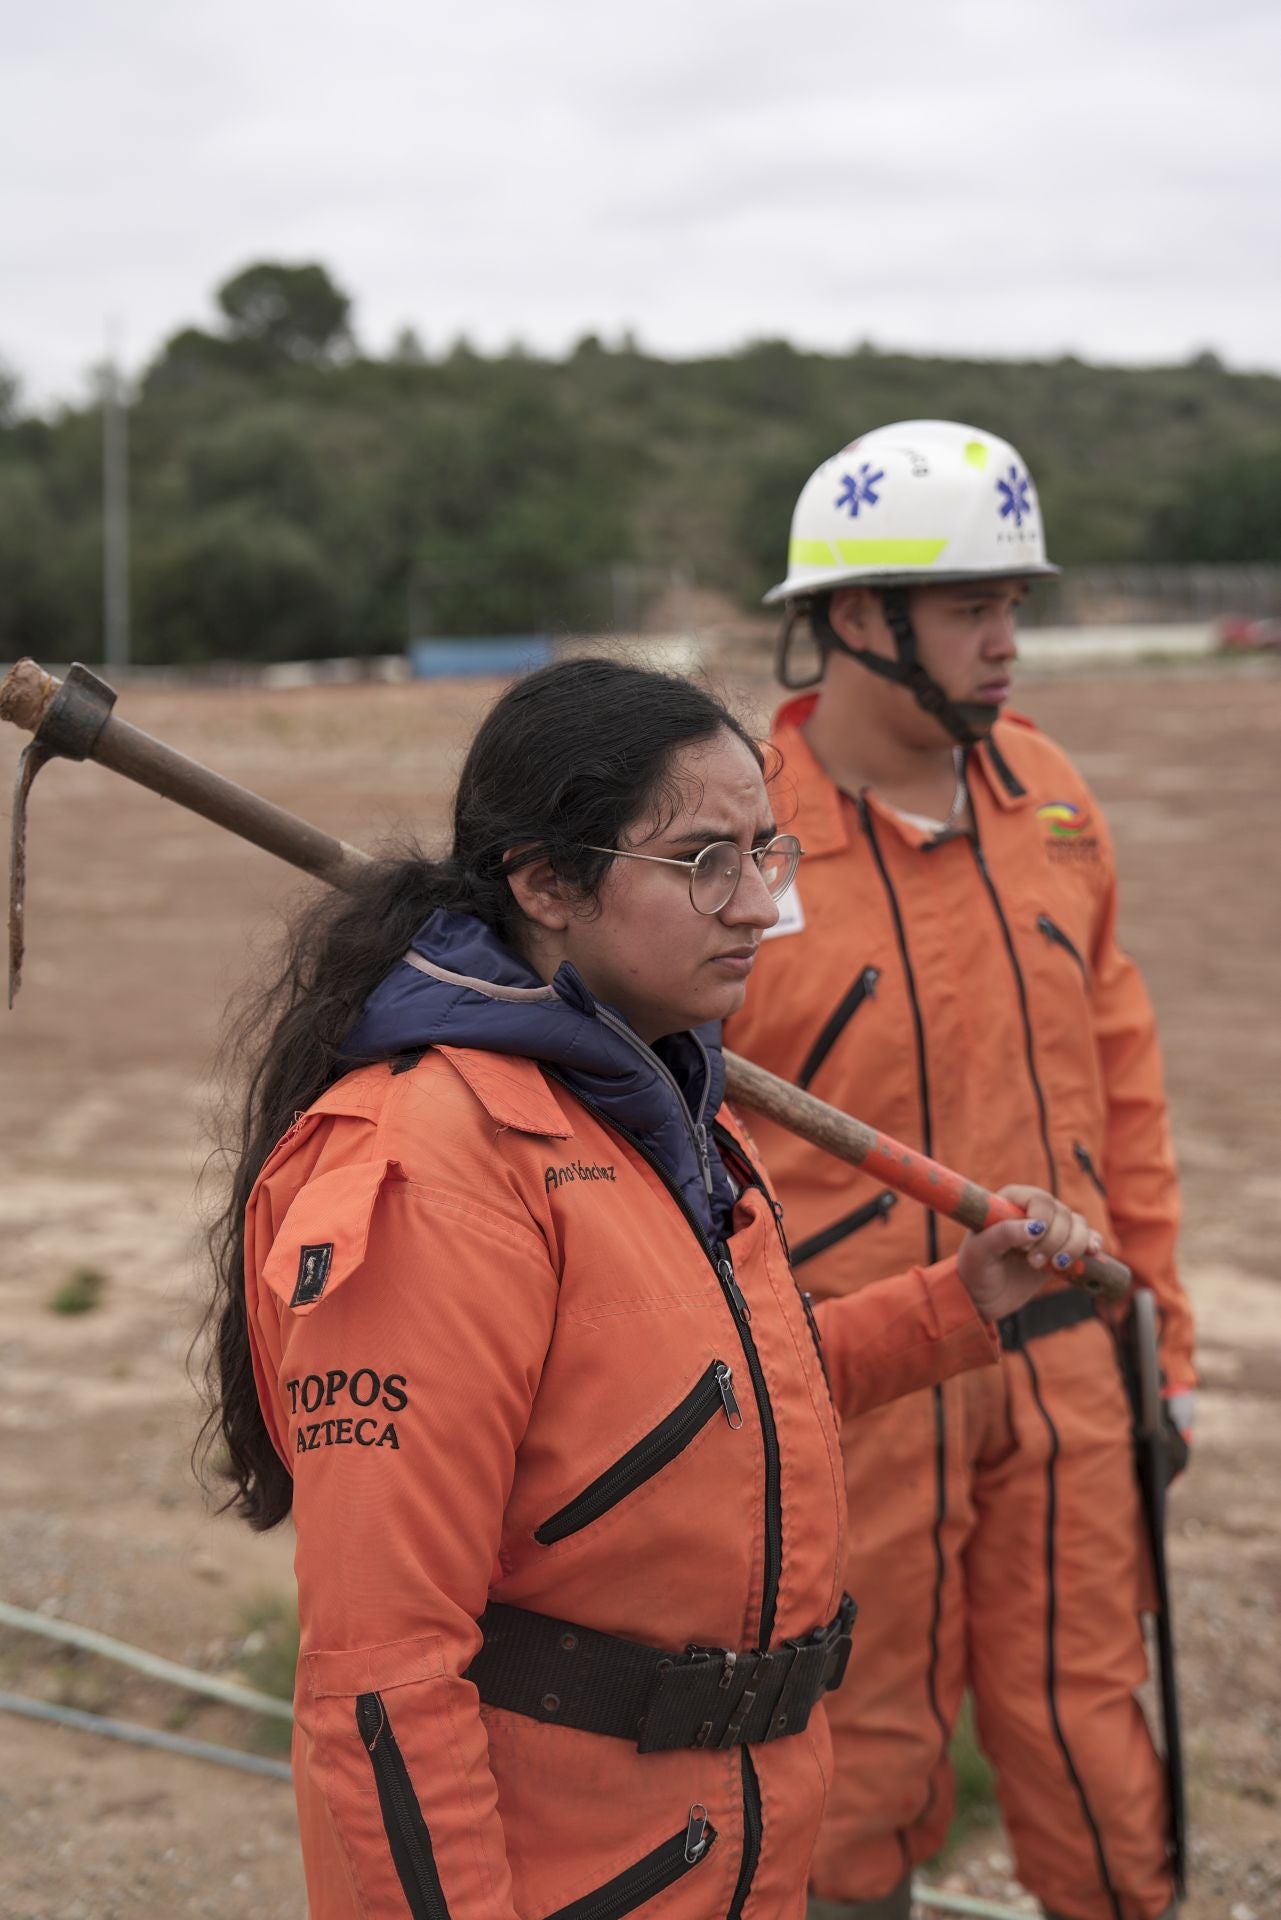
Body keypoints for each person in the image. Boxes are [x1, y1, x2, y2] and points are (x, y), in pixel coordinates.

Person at [205, 655, 1096, 1920]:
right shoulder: (430, 1170)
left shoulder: (653, 1105)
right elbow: (381, 1678)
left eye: (767, 853)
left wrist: (958, 1304)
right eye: (703, 864)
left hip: (732, 1853)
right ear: (548, 883)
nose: (757, 909)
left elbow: (694, 1419)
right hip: (566, 1874)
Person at [724, 420, 1195, 1920]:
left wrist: (1160, 1339)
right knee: (853, 1756)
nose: (1007, 644)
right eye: (973, 608)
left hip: (1069, 1356)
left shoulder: (1048, 796)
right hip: (855, 1376)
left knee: (1091, 1733)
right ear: (859, 618)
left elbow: (1123, 1088)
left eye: (1014, 607)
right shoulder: (737, 845)